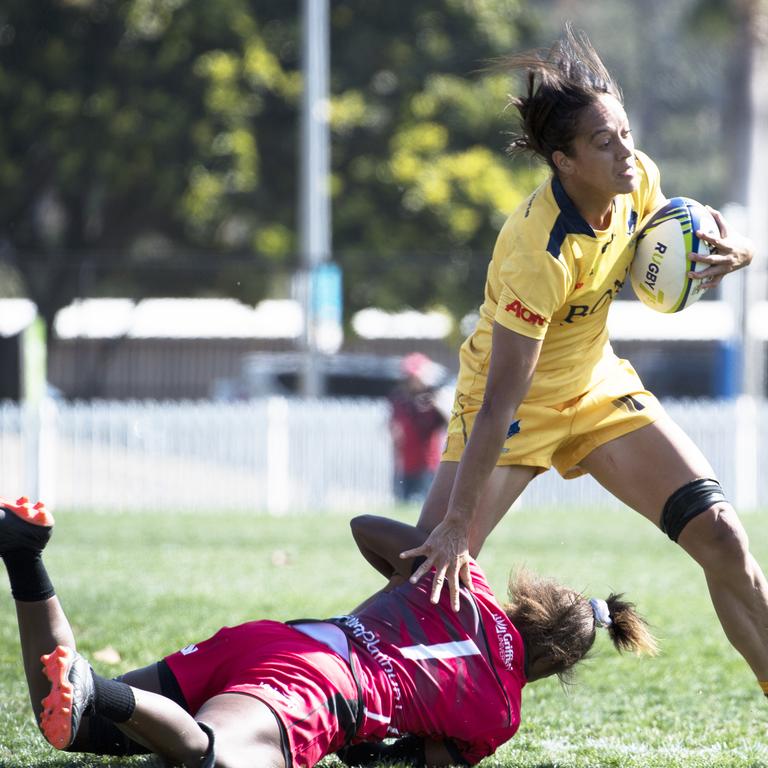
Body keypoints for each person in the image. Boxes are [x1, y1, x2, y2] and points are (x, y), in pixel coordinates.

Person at [399, 25, 768, 702]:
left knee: (720, 534)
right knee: (428, 576)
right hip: (511, 407)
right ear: (564, 160)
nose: (626, 151)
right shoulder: (536, 250)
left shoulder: (637, 178)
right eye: (605, 141)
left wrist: (736, 251)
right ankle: (377, 703)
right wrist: (456, 523)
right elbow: (505, 397)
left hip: (597, 387)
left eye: (624, 133)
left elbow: (693, 232)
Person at [1, 495, 656, 768]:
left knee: (80, 733)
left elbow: (364, 526)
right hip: (319, 689)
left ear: (525, 606)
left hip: (280, 640)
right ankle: (94, 689)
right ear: (554, 666)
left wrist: (420, 566)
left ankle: (24, 553)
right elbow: (412, 759)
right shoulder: (503, 711)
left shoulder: (467, 582)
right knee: (215, 757)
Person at [390, 353, 448, 503]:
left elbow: (449, 422)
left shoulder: (433, 399)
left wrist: (436, 402)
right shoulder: (400, 400)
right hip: (405, 463)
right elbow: (394, 427)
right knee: (404, 503)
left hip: (429, 465)